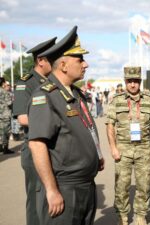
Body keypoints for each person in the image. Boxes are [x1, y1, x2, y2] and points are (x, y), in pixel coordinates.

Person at [28, 26, 104, 225]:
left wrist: (97, 154)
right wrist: (52, 190)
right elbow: (37, 144)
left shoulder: (76, 94)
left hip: (85, 186)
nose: (85, 64)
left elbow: (83, 128)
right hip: (65, 189)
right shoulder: (45, 96)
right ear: (63, 65)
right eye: (80, 60)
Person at [106, 66, 150, 225]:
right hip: (123, 148)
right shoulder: (116, 100)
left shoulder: (149, 100)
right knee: (122, 185)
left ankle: (140, 215)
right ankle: (122, 216)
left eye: (136, 81)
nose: (132, 85)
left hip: (143, 147)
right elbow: (110, 125)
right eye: (129, 81)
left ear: (140, 82)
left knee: (143, 184)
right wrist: (113, 147)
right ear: (125, 82)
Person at [13, 36, 56, 225]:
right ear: (41, 61)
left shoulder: (52, 81)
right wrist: (55, 123)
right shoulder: (26, 83)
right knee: (36, 199)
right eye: (52, 59)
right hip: (34, 150)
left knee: (52, 199)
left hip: (53, 148)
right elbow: (23, 118)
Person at [0, 77, 14, 154]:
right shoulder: (5, 92)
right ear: (3, 83)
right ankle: (5, 148)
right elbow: (9, 103)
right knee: (5, 132)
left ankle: (0, 147)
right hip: (5, 115)